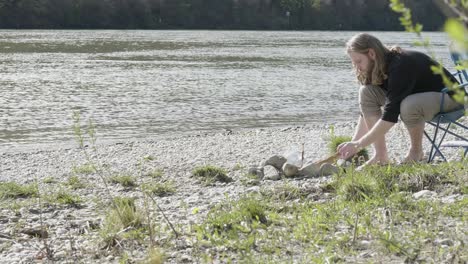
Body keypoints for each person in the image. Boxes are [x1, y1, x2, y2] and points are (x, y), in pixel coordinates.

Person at [337, 33, 464, 165]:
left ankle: (416, 152)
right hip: (425, 100)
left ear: (371, 54)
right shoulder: (380, 66)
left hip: (453, 100)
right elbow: (366, 114)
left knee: (408, 104)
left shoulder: (400, 65)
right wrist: (352, 147)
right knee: (367, 92)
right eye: (354, 63)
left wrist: (358, 145)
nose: (357, 67)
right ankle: (380, 156)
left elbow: (389, 117)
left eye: (358, 61)